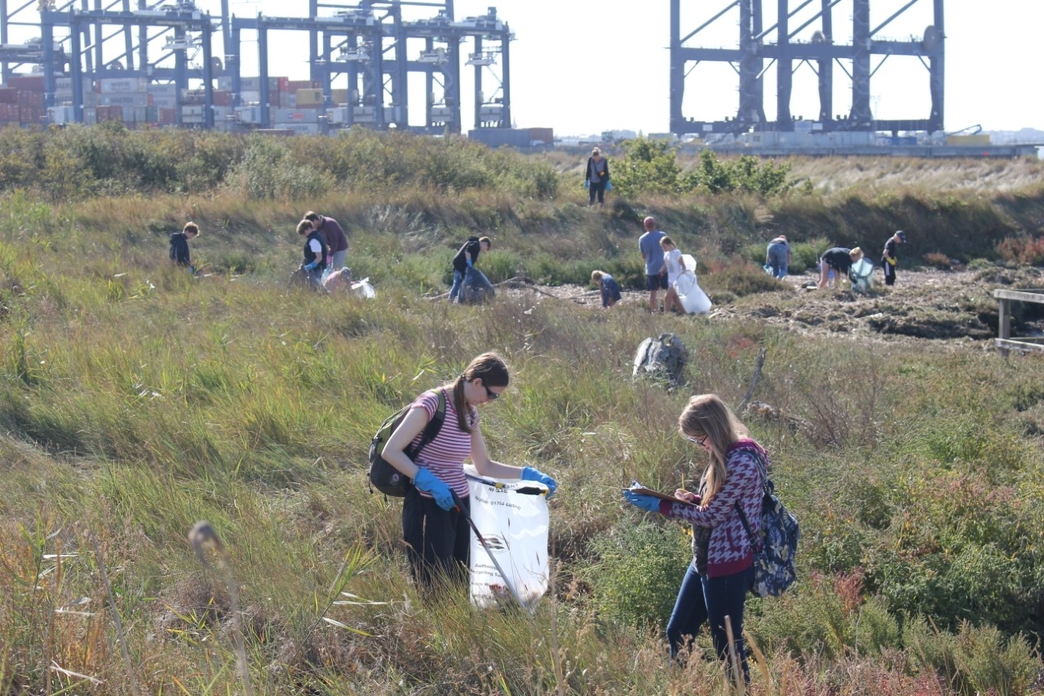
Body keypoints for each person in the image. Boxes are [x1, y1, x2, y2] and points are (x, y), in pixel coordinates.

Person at [622, 394, 767, 683]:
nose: (700, 447)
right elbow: (721, 506)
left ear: (713, 430)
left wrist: (663, 506)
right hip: (705, 558)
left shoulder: (742, 461)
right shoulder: (724, 454)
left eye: (699, 439)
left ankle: (742, 690)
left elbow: (713, 516)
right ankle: (681, 687)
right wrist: (695, 500)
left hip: (728, 563)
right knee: (678, 631)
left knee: (726, 645)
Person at [382, 352, 558, 587]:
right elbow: (391, 451)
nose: (491, 401)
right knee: (432, 583)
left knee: (459, 580)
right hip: (427, 505)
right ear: (477, 382)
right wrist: (427, 480)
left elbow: (484, 465)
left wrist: (527, 474)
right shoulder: (432, 403)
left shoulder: (470, 414)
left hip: (460, 506)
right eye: (492, 394)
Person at [448, 236, 492, 304]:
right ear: (485, 243)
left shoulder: (474, 245)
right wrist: (469, 266)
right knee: (457, 284)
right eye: (486, 248)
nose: (485, 250)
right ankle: (450, 301)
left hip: (461, 266)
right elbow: (467, 253)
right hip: (460, 266)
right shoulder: (475, 244)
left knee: (462, 284)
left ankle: (459, 302)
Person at [638, 216, 668, 312]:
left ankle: (654, 311)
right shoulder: (663, 235)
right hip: (663, 267)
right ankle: (668, 311)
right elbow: (669, 250)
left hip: (651, 269)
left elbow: (643, 256)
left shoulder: (642, 239)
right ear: (655, 224)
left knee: (653, 293)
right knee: (668, 290)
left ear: (645, 226)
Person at [297, 218, 328, 289]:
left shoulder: (314, 240)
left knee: (316, 288)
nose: (304, 235)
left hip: (317, 270)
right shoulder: (316, 236)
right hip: (316, 269)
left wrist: (309, 267)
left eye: (304, 232)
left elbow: (319, 258)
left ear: (308, 228)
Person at [660, 236, 685, 314]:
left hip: (677, 279)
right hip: (670, 279)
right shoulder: (666, 254)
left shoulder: (677, 252)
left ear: (668, 244)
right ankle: (685, 313)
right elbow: (666, 263)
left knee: (667, 297)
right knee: (675, 298)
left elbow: (683, 265)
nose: (663, 248)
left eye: (664, 246)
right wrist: (662, 269)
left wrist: (682, 275)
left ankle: (666, 315)